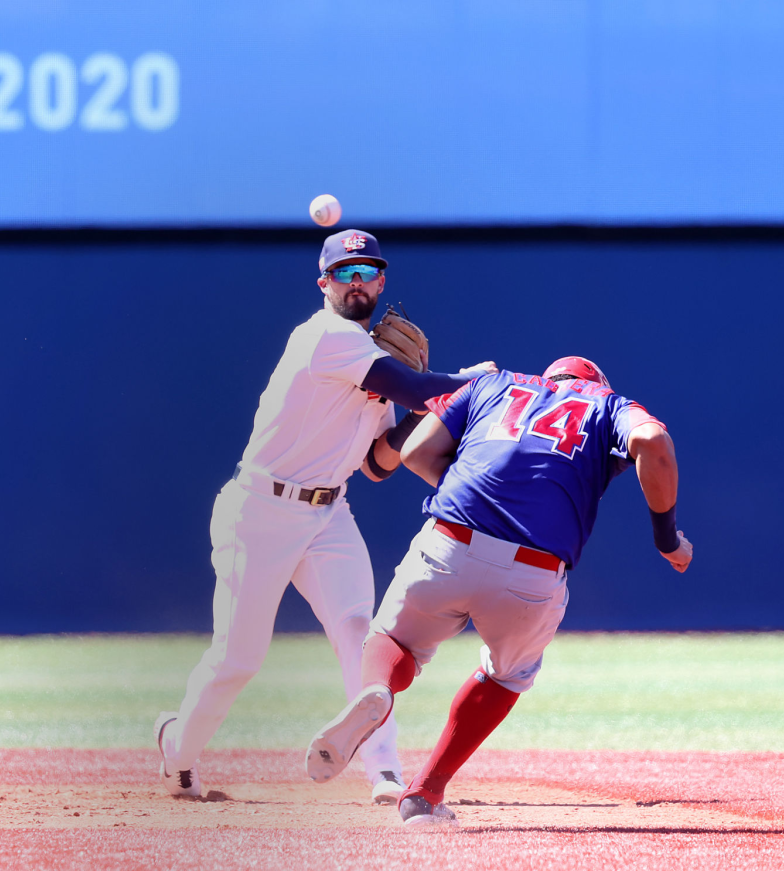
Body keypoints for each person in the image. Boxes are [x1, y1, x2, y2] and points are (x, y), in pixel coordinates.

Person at [154, 229, 496, 805]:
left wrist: (427, 408)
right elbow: (414, 388)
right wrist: (478, 384)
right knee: (239, 657)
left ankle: (385, 771)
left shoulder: (373, 364)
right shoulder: (325, 337)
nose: (357, 283)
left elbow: (379, 464)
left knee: (361, 635)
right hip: (259, 511)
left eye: (367, 273)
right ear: (324, 284)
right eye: (345, 273)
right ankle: (178, 751)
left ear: (382, 283)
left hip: (328, 514)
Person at [305, 355, 693, 824]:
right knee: (507, 675)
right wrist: (666, 538)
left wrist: (480, 495)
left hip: (450, 542)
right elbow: (652, 440)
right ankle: (424, 796)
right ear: (596, 384)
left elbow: (415, 453)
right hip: (533, 568)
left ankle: (378, 691)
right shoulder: (608, 406)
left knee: (394, 642)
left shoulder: (495, 384)